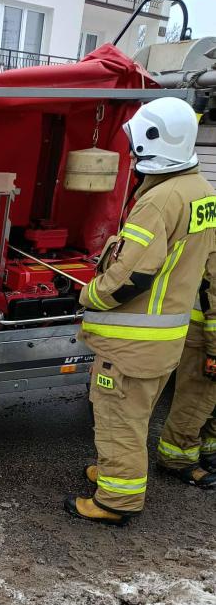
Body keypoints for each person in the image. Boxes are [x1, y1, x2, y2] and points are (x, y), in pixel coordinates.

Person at [65, 97, 216, 526]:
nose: (132, 154)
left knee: (119, 419)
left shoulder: (159, 201)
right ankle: (115, 473)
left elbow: (132, 276)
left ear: (152, 142)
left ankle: (116, 500)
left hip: (132, 344)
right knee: (133, 415)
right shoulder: (202, 193)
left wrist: (88, 295)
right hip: (162, 342)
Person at [156, 255, 216, 485]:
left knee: (209, 400)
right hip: (204, 335)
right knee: (196, 400)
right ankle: (176, 458)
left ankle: (208, 451)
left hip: (207, 333)